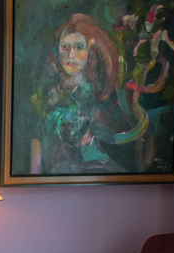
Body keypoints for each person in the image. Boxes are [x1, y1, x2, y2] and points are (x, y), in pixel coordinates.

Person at [29, 14, 147, 175]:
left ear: (89, 54)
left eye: (78, 47)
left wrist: (50, 116)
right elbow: (36, 142)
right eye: (65, 47)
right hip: (56, 171)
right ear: (57, 51)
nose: (71, 55)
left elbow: (73, 134)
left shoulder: (86, 91)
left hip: (90, 166)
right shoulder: (48, 91)